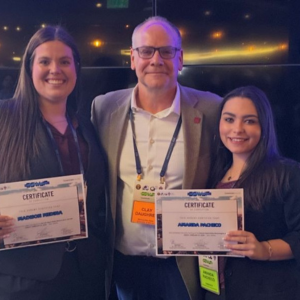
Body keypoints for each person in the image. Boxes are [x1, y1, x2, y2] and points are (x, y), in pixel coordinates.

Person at [91, 16, 221, 300]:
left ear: (180, 58)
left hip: (183, 263)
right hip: (124, 262)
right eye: (146, 51)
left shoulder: (212, 109)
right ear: (133, 58)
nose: (156, 60)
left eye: (166, 51)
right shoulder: (104, 108)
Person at [0, 26, 110, 299]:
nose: (55, 70)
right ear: (29, 67)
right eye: (45, 61)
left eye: (64, 61)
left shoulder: (86, 125)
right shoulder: (4, 119)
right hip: (24, 280)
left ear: (76, 68)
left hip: (86, 274)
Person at [205, 86, 300, 300]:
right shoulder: (213, 174)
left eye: (249, 121)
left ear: (264, 126)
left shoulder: (288, 173)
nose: (237, 129)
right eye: (229, 119)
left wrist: (264, 249)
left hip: (266, 291)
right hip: (217, 291)